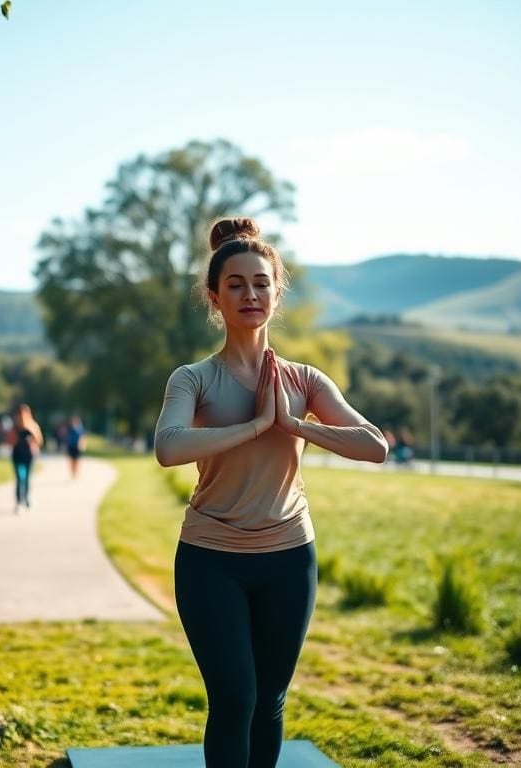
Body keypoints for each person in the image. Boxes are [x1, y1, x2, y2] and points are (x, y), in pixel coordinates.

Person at [154, 217, 388, 768]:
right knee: (235, 698)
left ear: (275, 293)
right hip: (211, 561)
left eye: (260, 283)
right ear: (215, 298)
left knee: (270, 701)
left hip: (288, 559)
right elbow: (167, 446)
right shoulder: (192, 379)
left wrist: (296, 425)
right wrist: (256, 426)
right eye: (235, 284)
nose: (249, 294)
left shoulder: (304, 380)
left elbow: (374, 446)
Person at [6, 403, 43, 513]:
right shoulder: (15, 427)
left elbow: (39, 441)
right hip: (17, 455)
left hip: (29, 456)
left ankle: (27, 499)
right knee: (19, 478)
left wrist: (31, 432)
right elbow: (10, 442)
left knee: (27, 478)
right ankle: (18, 502)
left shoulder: (33, 425)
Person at [65, 414, 87, 478]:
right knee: (71, 460)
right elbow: (67, 438)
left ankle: (76, 472)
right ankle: (72, 472)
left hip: (77, 447)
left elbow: (83, 437)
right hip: (70, 446)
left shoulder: (80, 429)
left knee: (76, 460)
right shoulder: (69, 429)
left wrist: (83, 445)